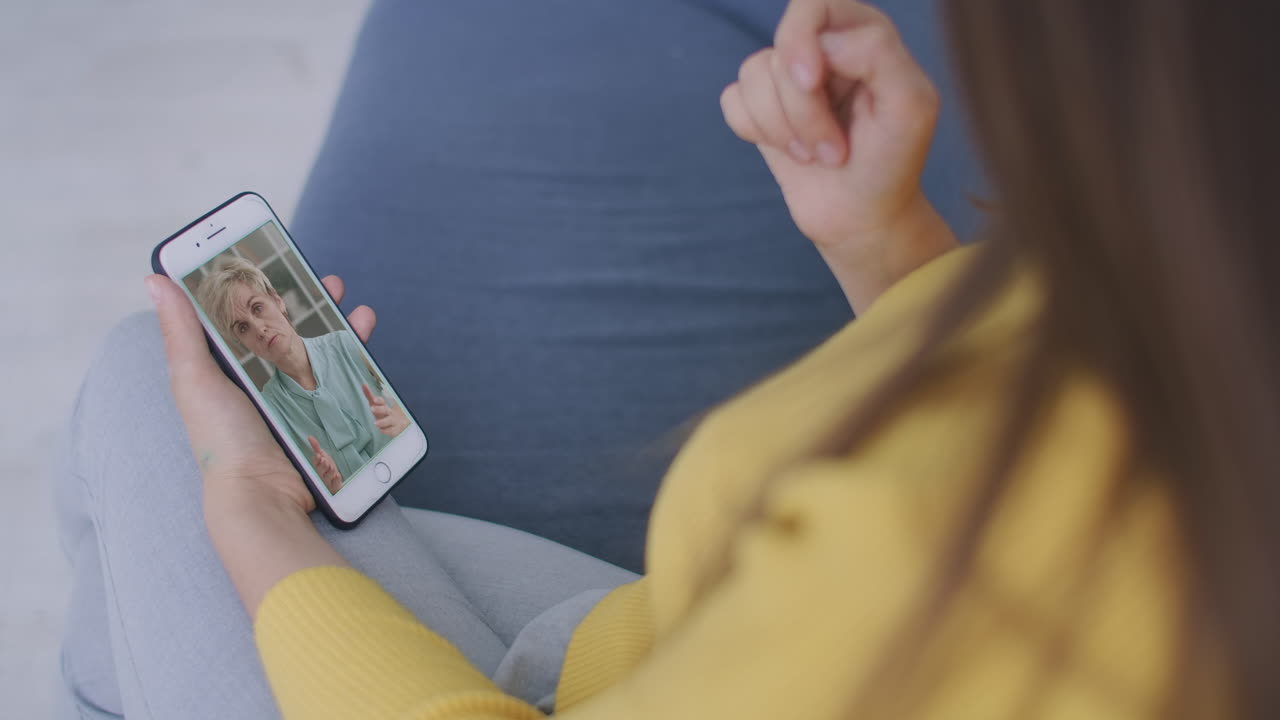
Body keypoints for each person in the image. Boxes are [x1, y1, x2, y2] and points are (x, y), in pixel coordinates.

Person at [54, 0, 1279, 719]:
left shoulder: (934, 566)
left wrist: (255, 513)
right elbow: (1015, 400)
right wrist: (890, 249)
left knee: (147, 402)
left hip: (628, 666)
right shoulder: (1202, 340)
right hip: (647, 642)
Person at [194, 257, 410, 492]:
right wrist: (327, 489)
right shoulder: (268, 411)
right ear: (242, 342)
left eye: (257, 308)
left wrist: (402, 419)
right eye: (243, 328)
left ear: (278, 301)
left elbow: (402, 403)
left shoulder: (345, 344)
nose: (259, 329)